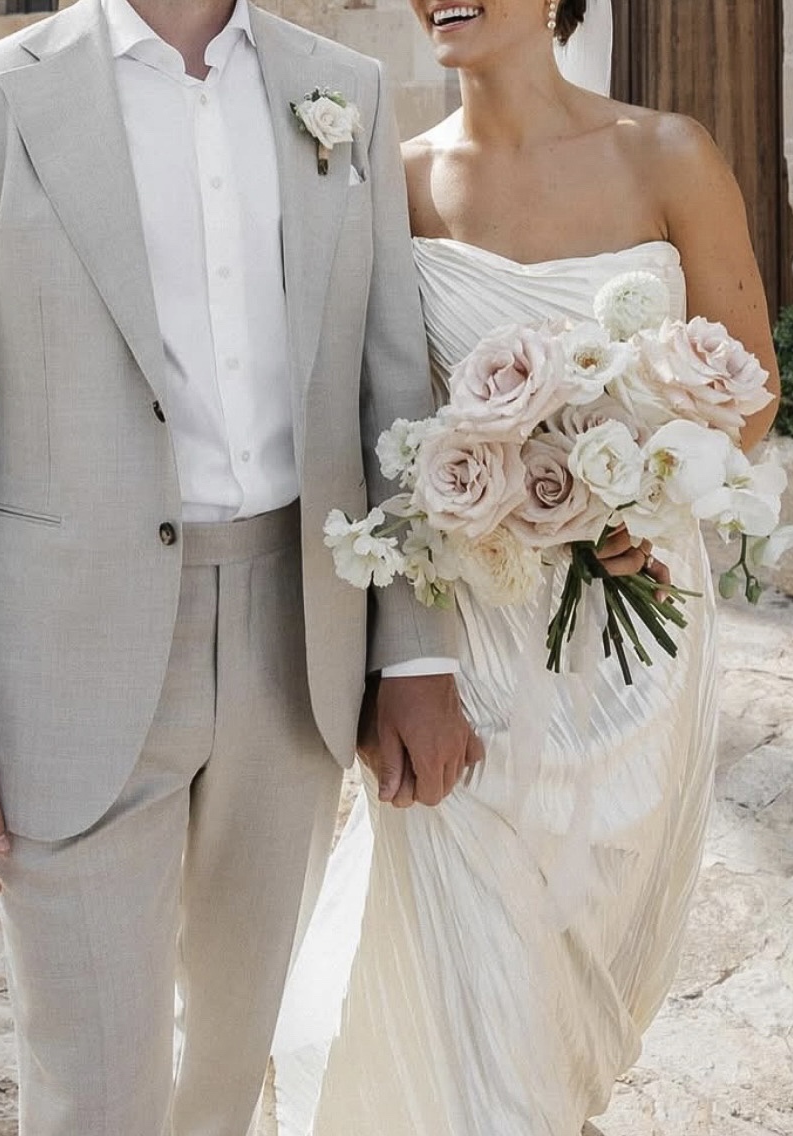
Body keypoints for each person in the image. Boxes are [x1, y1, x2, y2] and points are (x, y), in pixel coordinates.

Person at [0, 1, 478, 1133]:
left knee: (230, 1067)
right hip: (61, 658)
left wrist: (413, 649)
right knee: (94, 1085)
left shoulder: (341, 85)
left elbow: (390, 388)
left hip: (295, 646)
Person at [272, 1, 780, 1133]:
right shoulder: (392, 182)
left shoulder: (667, 154)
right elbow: (370, 414)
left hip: (633, 630)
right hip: (469, 630)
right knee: (462, 942)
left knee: (564, 961)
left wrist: (638, 495)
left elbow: (745, 386)